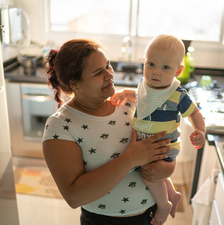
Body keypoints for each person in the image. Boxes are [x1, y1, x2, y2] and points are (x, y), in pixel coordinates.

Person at [42, 38, 177, 225]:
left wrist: (168, 168)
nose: (109, 75)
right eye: (98, 72)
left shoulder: (131, 103)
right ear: (74, 83)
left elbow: (164, 146)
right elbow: (74, 197)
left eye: (108, 66)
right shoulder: (61, 125)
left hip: (151, 216)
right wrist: (130, 159)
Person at [111, 34, 206, 225]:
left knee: (150, 175)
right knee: (152, 173)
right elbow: (137, 95)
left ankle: (164, 205)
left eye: (165, 67)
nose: (156, 72)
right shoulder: (145, 87)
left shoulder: (177, 95)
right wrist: (124, 93)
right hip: (147, 143)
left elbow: (195, 113)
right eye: (151, 64)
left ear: (178, 71)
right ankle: (172, 194)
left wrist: (201, 131)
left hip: (164, 145)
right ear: (144, 63)